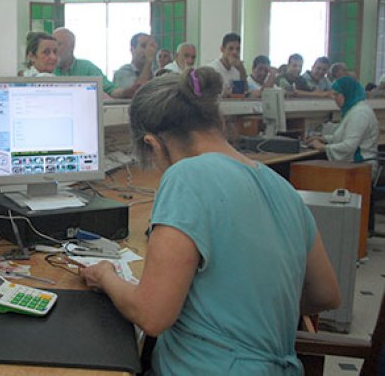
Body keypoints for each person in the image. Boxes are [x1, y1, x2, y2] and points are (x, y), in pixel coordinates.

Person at [79, 67, 340, 374]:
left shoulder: (185, 176)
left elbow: (152, 316)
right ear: (217, 122)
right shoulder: (282, 188)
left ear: (152, 144)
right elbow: (325, 294)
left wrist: (106, 277)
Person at [307, 77, 379, 172]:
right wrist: (323, 139)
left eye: (336, 94)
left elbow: (349, 146)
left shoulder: (360, 113)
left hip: (361, 167)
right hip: (357, 164)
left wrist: (322, 147)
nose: (334, 98)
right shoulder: (353, 109)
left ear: (347, 93)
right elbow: (344, 136)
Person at [52, 27, 116, 95]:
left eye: (58, 44)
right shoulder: (48, 68)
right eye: (52, 46)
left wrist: (122, 92)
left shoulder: (86, 68)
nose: (54, 50)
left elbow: (111, 90)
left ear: (72, 46)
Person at [111, 32, 157, 98]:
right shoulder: (122, 73)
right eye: (144, 46)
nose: (148, 50)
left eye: (151, 46)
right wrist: (148, 61)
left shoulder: (154, 73)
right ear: (132, 50)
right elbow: (137, 92)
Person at [205, 32, 246, 97]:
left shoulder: (237, 71)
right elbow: (206, 95)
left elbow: (241, 94)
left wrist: (241, 69)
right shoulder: (212, 69)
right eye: (231, 48)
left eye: (238, 49)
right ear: (222, 49)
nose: (235, 52)